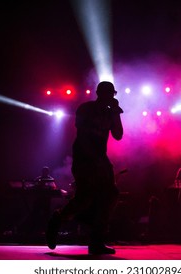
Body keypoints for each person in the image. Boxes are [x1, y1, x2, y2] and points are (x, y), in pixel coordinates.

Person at [46, 81, 124, 255]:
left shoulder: (110, 113)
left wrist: (116, 113)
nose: (109, 97)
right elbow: (82, 134)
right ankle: (57, 219)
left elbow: (118, 135)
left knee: (110, 194)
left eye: (112, 94)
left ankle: (97, 241)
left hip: (101, 158)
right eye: (107, 93)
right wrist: (92, 158)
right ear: (98, 93)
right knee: (84, 197)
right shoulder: (86, 108)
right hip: (84, 157)